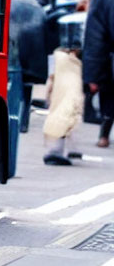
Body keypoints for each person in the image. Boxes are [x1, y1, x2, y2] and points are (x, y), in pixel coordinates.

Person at [9, 0, 48, 133]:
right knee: (24, 87)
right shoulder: (34, 4)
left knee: (19, 87)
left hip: (17, 51)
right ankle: (21, 120)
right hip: (26, 53)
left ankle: (19, 119)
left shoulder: (12, 0)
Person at [44, 12, 86, 165]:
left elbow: (51, 78)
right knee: (67, 116)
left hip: (59, 93)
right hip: (68, 92)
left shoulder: (57, 56)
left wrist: (47, 95)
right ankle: (55, 152)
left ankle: (58, 150)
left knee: (62, 116)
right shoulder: (75, 62)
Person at [83, 0, 114, 147]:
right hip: (107, 57)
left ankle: (104, 135)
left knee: (107, 96)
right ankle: (104, 135)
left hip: (101, 58)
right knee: (109, 95)